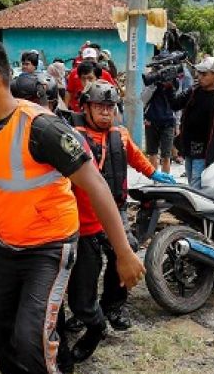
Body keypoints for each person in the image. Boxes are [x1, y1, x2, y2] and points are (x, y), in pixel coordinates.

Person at [0, 36, 145, 374]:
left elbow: (96, 185)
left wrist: (123, 252)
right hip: (4, 244)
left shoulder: (43, 128)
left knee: (31, 333)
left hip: (49, 249)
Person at [65, 81, 176, 356]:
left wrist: (154, 174)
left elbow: (137, 158)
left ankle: (114, 306)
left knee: (124, 255)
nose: (105, 112)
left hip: (115, 211)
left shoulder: (121, 135)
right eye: (99, 106)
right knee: (84, 270)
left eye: (109, 107)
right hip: (83, 217)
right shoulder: (71, 135)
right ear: (86, 107)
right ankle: (85, 312)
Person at [170, 56, 214, 188]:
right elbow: (175, 103)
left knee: (196, 183)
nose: (200, 77)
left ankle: (196, 208)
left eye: (204, 74)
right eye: (199, 73)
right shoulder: (193, 91)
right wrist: (168, 85)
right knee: (191, 180)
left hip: (208, 150)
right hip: (189, 146)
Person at [141, 56, 181, 175]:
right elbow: (143, 99)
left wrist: (177, 124)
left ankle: (165, 183)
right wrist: (153, 85)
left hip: (168, 121)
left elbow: (178, 104)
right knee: (152, 153)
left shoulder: (174, 81)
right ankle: (154, 181)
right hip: (151, 121)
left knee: (166, 156)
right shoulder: (151, 79)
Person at [65, 47, 116, 112]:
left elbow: (113, 91)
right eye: (87, 59)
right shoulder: (74, 73)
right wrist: (65, 109)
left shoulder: (105, 74)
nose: (89, 61)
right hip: (78, 111)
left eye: (92, 58)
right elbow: (69, 92)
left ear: (96, 59)